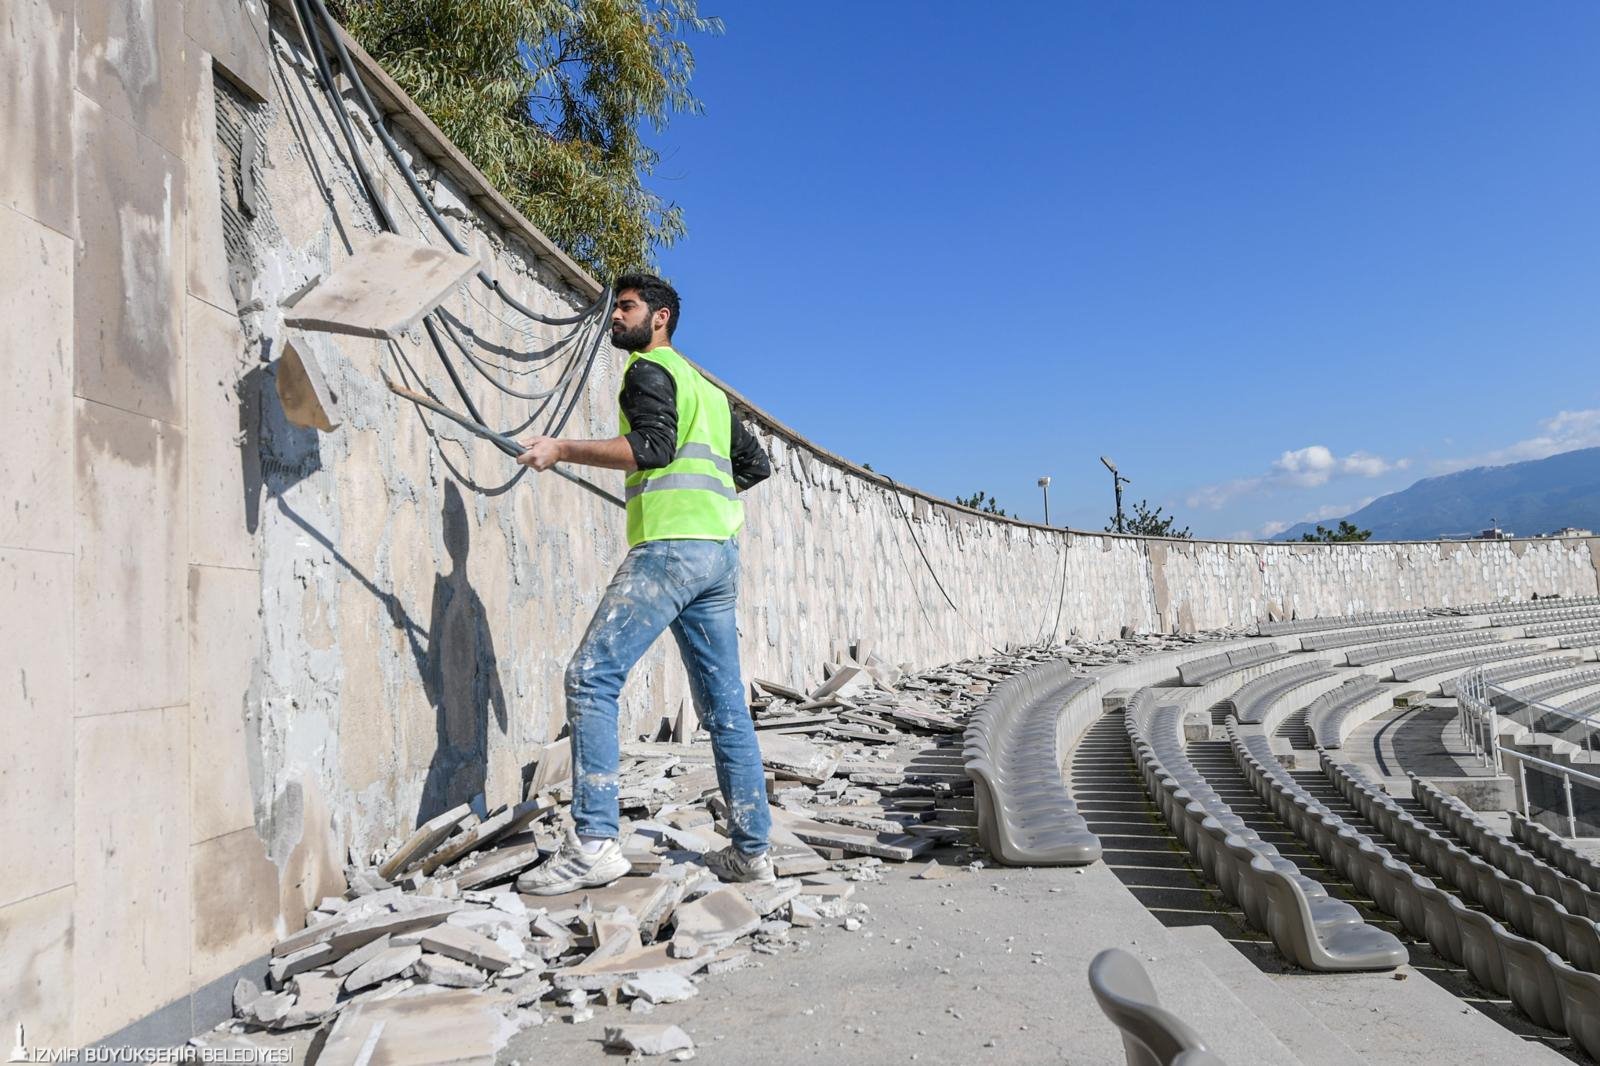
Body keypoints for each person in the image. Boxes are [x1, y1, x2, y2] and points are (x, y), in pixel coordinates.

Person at [514, 273, 775, 893]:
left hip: (671, 552)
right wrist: (702, 509)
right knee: (725, 707)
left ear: (659, 318)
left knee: (590, 676)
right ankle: (752, 851)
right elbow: (755, 466)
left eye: (625, 308)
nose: (614, 318)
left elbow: (651, 449)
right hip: (717, 555)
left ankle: (597, 843)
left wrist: (562, 449)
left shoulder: (649, 372)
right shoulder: (707, 391)